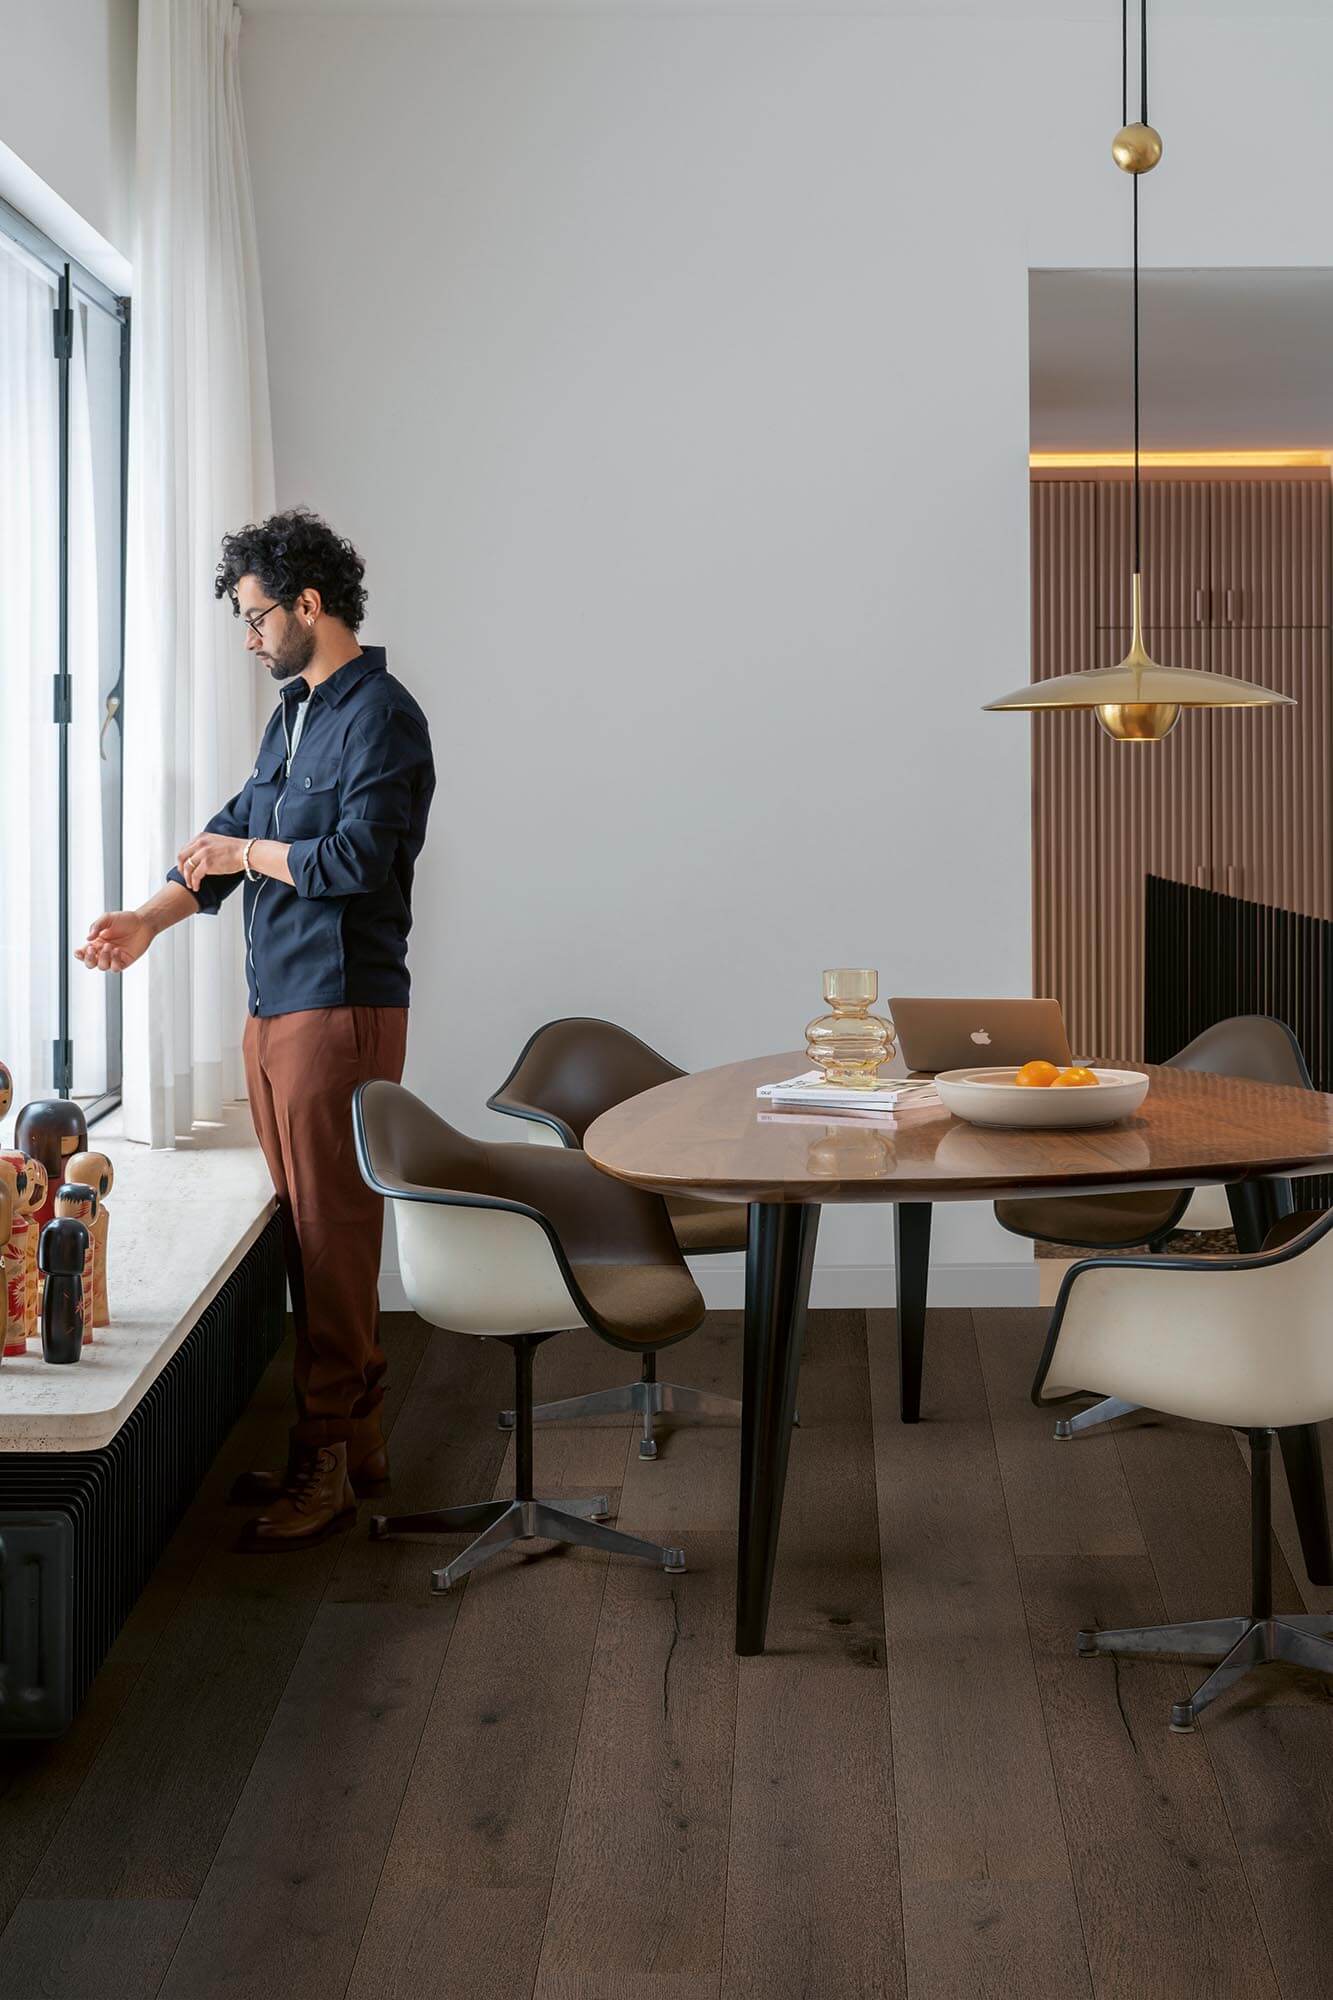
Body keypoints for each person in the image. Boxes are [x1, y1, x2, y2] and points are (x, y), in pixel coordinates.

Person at [78, 509, 436, 1550]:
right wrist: (146, 918)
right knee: (305, 1229)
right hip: (277, 1006)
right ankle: (348, 1447)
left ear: (308, 606)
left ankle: (326, 1458)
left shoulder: (383, 717)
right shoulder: (291, 716)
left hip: (341, 1007)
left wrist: (247, 854)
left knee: (334, 1236)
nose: (248, 634)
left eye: (254, 614)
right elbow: (227, 833)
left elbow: (352, 863)